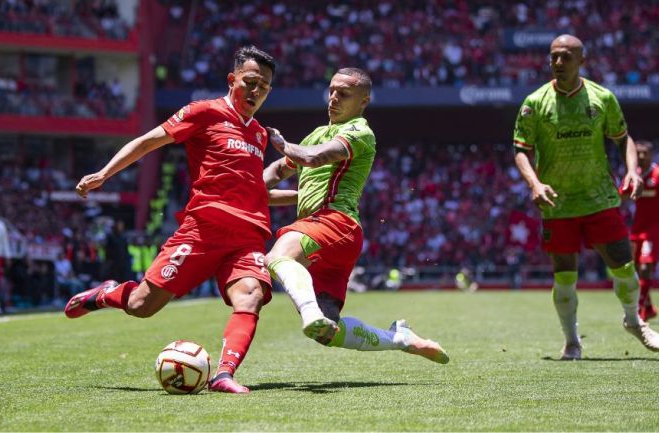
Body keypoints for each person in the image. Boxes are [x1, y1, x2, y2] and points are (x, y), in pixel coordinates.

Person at [64, 46, 277, 393]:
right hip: (203, 230)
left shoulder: (260, 135)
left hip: (247, 236)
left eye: (263, 87)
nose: (255, 91)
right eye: (250, 82)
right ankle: (106, 294)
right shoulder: (204, 112)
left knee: (250, 295)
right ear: (232, 79)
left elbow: (253, 190)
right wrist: (104, 173)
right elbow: (149, 142)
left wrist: (304, 198)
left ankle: (223, 375)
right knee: (141, 306)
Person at [263, 68, 449, 364]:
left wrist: (284, 145)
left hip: (335, 223)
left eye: (344, 94)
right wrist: (247, 187)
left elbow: (313, 157)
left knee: (276, 256)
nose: (334, 98)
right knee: (326, 331)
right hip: (322, 235)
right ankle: (400, 338)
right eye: (332, 90)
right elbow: (278, 170)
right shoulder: (316, 134)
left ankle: (310, 314)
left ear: (363, 101)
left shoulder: (360, 131)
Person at [512, 35, 659, 360]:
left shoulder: (602, 97)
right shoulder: (534, 103)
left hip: (599, 199)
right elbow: (521, 151)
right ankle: (572, 341)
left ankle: (633, 320)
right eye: (553, 56)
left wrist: (632, 170)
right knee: (565, 275)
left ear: (582, 60)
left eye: (566, 56)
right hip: (558, 204)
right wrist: (535, 185)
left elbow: (623, 139)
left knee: (624, 267)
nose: (558, 63)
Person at [621, 140, 659, 321]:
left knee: (645, 266)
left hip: (654, 230)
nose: (640, 156)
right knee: (635, 271)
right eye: (638, 153)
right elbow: (621, 196)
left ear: (651, 155)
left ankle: (640, 311)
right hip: (636, 230)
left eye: (644, 153)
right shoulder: (634, 176)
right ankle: (648, 307)